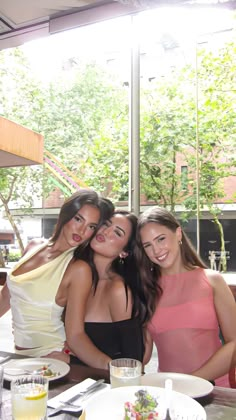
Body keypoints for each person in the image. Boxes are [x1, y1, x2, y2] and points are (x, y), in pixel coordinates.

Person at [0, 189, 114, 359]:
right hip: (20, 357)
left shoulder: (78, 268)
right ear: (65, 215)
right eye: (78, 219)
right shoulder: (33, 246)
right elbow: (5, 299)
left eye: (91, 226)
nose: (82, 230)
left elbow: (76, 335)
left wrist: (115, 369)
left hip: (53, 356)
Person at [135, 206, 236, 387]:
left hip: (214, 389)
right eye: (148, 246)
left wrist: (191, 382)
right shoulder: (145, 289)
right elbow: (144, 352)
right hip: (169, 392)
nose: (157, 250)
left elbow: (234, 342)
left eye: (161, 239)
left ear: (179, 234)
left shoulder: (212, 280)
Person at [61, 210, 146, 369]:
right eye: (106, 225)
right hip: (72, 381)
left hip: (108, 387)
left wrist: (72, 361)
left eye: (117, 233)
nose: (106, 232)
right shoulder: (77, 274)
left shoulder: (118, 290)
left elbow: (133, 363)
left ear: (124, 252)